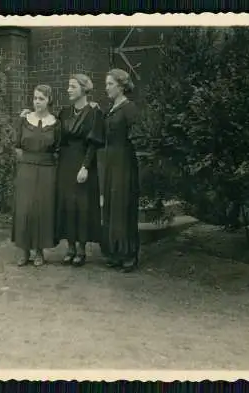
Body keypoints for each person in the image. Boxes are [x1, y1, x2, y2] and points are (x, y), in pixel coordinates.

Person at [20, 74, 104, 266]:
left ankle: (82, 249)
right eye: (68, 86)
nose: (68, 89)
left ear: (83, 89)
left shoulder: (94, 113)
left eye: (72, 86)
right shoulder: (64, 113)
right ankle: (71, 247)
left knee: (82, 205)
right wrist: (28, 115)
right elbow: (51, 131)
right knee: (67, 204)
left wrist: (85, 166)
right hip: (65, 163)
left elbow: (94, 143)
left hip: (84, 162)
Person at [11, 85, 61, 267]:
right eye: (35, 98)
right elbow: (17, 146)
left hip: (47, 169)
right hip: (26, 168)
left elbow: (58, 148)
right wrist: (25, 164)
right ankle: (24, 251)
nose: (37, 102)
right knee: (25, 208)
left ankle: (39, 251)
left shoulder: (55, 123)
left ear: (49, 100)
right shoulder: (24, 120)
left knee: (42, 210)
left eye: (41, 98)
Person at [101, 69, 141, 273]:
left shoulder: (129, 108)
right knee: (111, 205)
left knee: (122, 206)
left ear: (121, 86)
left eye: (110, 84)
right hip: (111, 161)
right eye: (106, 84)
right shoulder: (111, 108)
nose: (106, 88)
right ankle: (115, 252)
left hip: (124, 162)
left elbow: (136, 137)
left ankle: (128, 255)